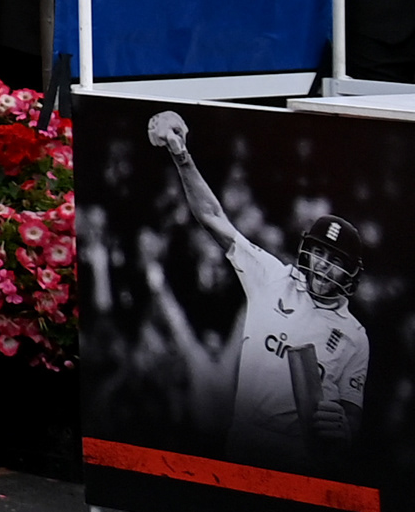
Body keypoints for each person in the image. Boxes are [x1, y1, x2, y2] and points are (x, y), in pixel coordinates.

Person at [141, 108, 368, 467]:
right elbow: (213, 217)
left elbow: (351, 422)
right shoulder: (273, 277)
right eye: (319, 253)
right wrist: (181, 156)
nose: (323, 265)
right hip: (241, 451)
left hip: (300, 463)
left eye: (335, 260)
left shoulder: (355, 337)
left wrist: (342, 429)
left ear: (349, 273)